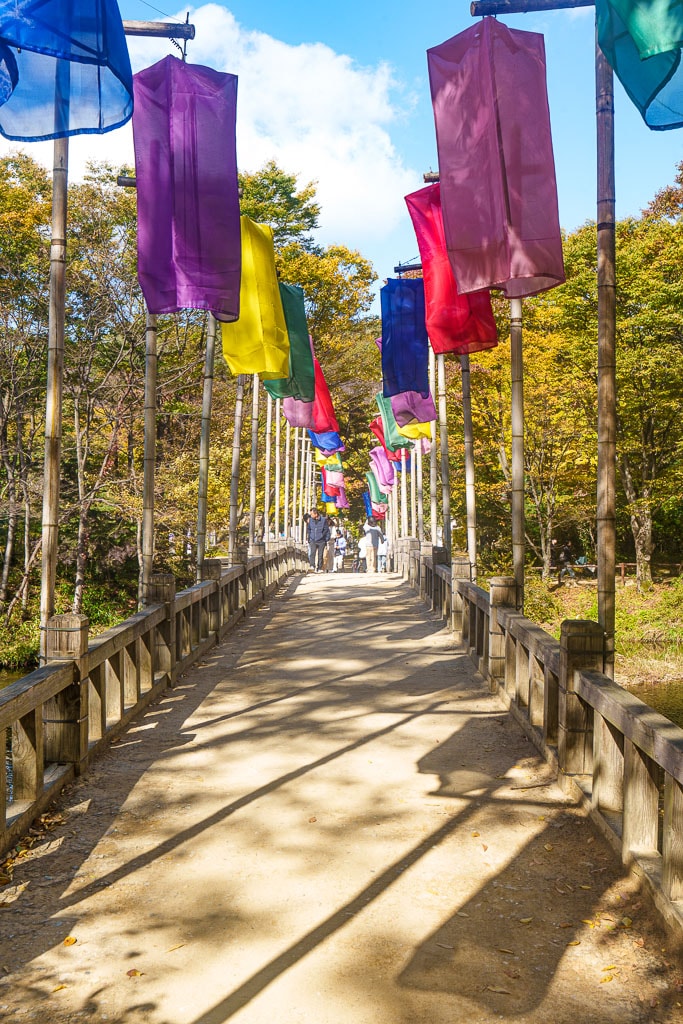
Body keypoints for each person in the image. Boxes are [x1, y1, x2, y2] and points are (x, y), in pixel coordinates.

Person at [306, 508, 330, 573]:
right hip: (313, 539)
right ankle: (312, 566)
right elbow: (309, 529)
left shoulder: (323, 520)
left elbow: (326, 529)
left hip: (321, 540)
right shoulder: (310, 520)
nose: (310, 515)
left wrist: (325, 538)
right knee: (312, 553)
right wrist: (309, 538)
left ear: (316, 514)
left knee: (320, 555)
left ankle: (319, 567)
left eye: (311, 514)